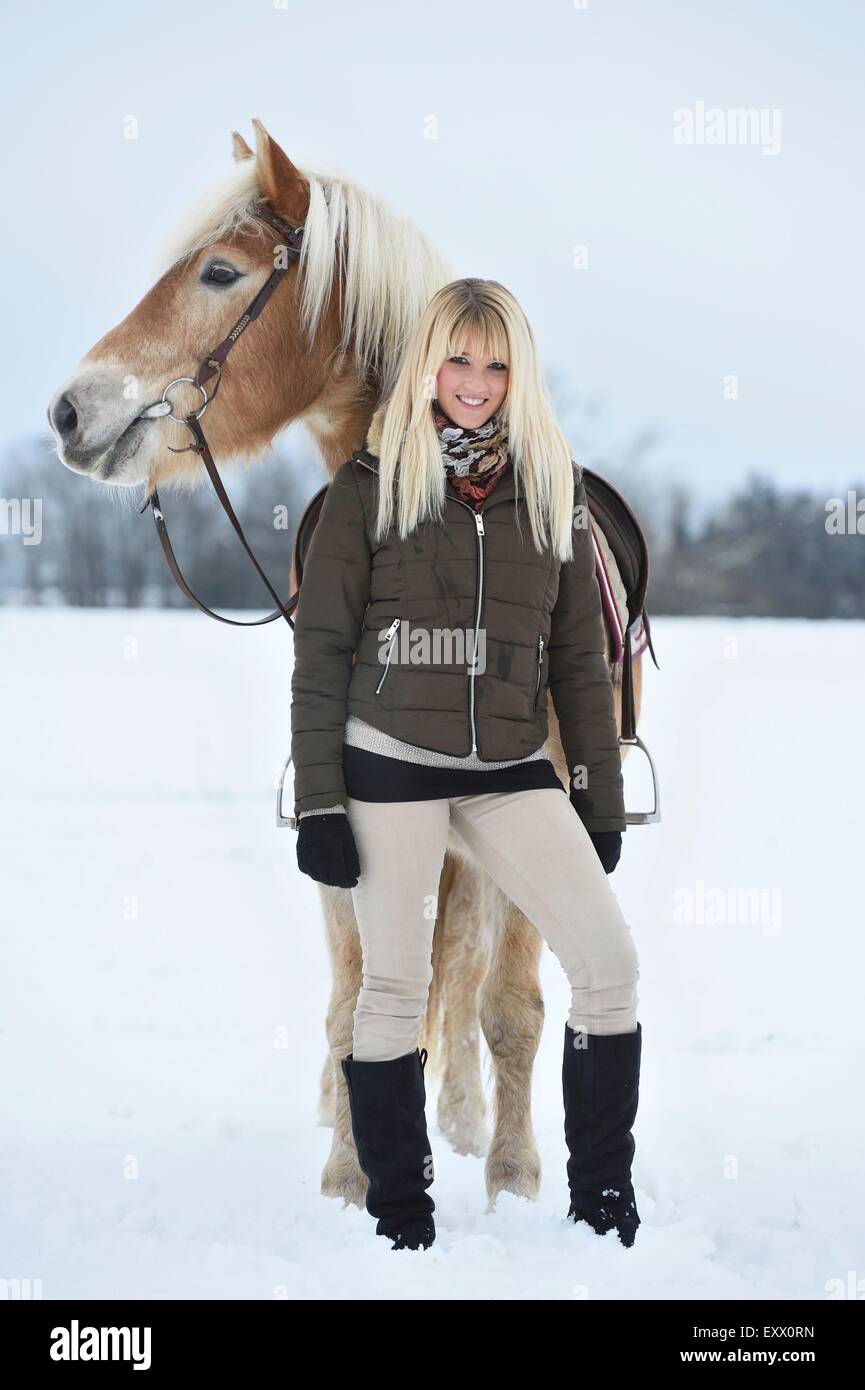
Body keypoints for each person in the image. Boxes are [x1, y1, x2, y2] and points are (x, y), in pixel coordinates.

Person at [290, 278, 642, 1252]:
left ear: (516, 374)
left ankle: (601, 1202)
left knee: (608, 964)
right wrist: (322, 799)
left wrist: (595, 800)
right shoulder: (369, 487)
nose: (476, 382)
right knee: (392, 989)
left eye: (495, 364)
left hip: (510, 770)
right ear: (427, 367)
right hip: (390, 761)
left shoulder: (549, 492)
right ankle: (403, 1218)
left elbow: (578, 661)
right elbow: (320, 657)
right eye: (458, 359)